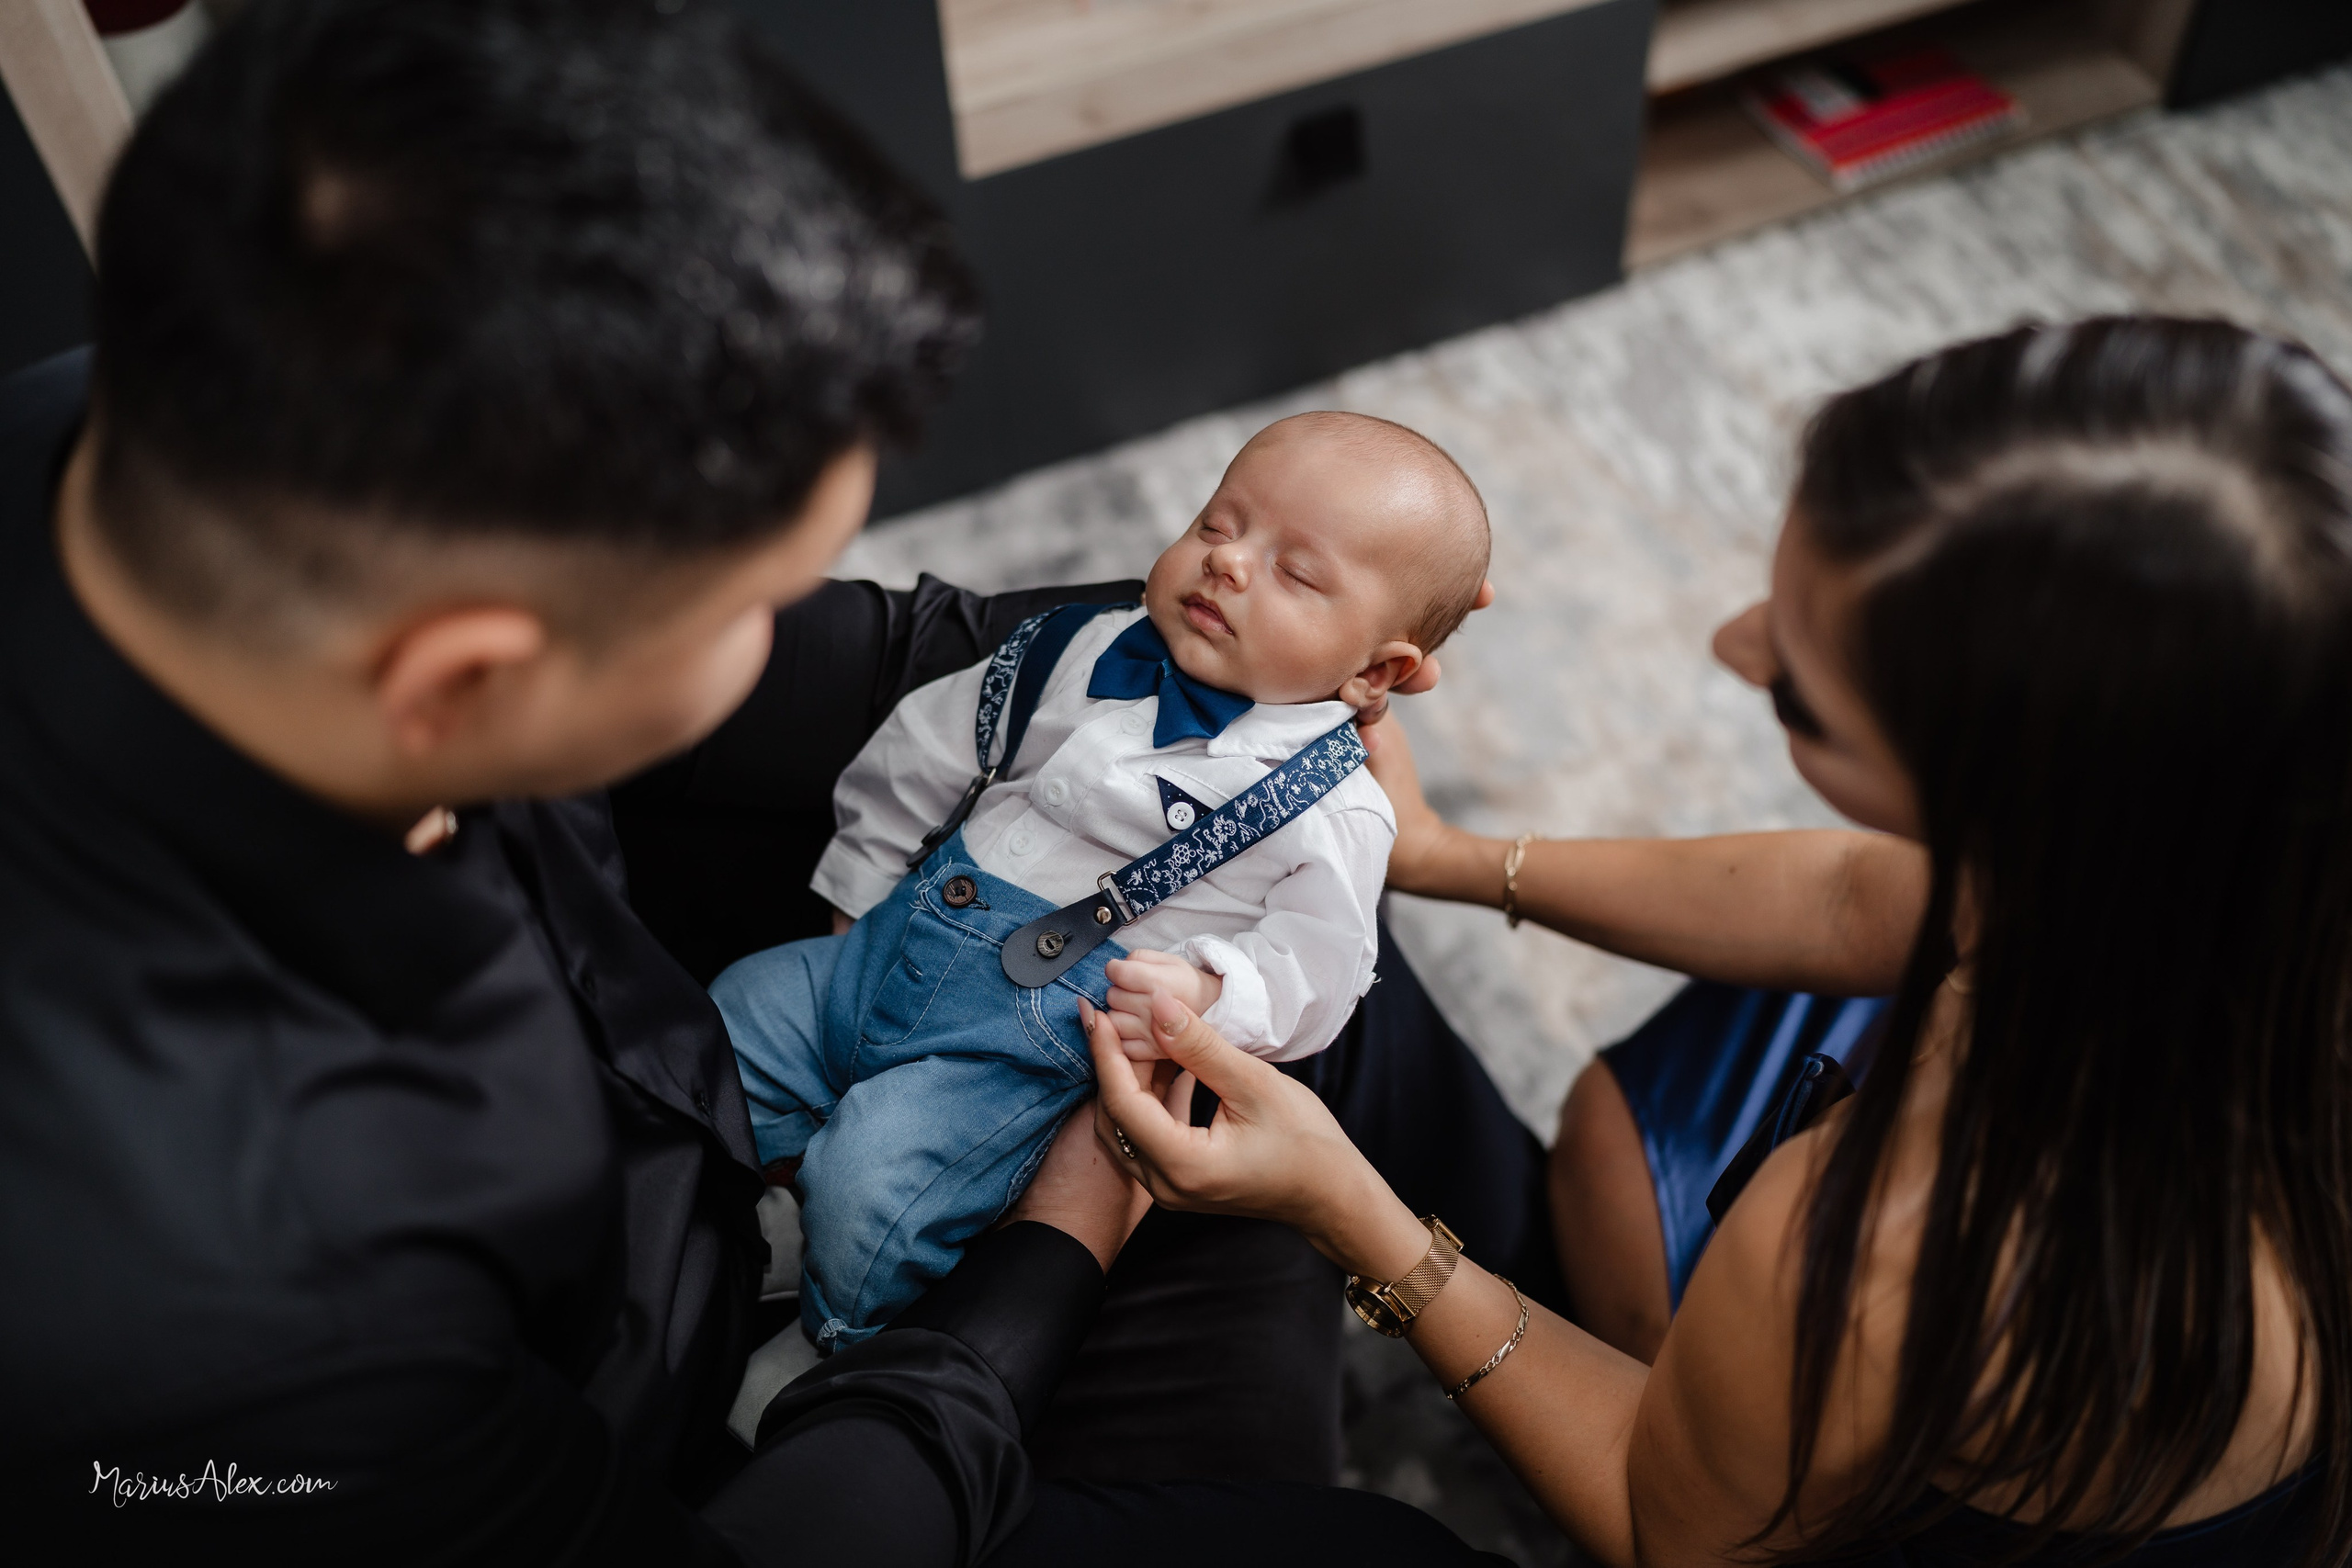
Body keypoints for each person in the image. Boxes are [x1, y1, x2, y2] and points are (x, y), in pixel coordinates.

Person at [0, 1, 1540, 1560]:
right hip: (735, 1404)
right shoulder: (254, 1341)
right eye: (750, 606)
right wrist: (1058, 1243)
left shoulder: (157, 402)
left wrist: (1253, 681)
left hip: (849, 1015)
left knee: (1343, 963)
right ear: (469, 679)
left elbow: (916, 666)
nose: (780, 637)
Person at [1089, 317, 2350, 1564]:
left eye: (1800, 689)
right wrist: (1445, 857)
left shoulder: (1886, 1252)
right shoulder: (2229, 845)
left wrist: (1352, 1213)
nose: (1731, 642)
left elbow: (1659, 1524)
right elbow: (1860, 898)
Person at [708, 411, 1490, 1351]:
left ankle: (827, 1336)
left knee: (880, 1184)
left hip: (1014, 1055)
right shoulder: (1075, 647)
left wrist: (1210, 991)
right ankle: (712, 1207)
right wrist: (859, 894)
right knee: (732, 1021)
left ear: (1378, 670)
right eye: (1217, 523)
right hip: (885, 941)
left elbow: (1319, 975)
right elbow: (925, 750)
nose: (1228, 563)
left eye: (1296, 572)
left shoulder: (1332, 812)